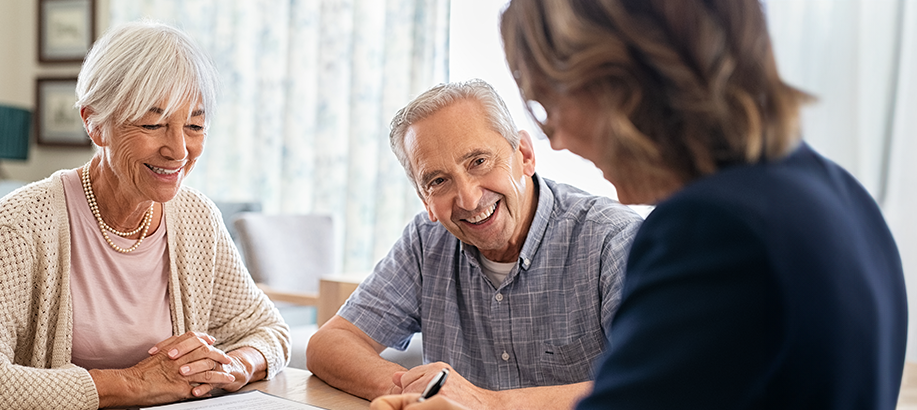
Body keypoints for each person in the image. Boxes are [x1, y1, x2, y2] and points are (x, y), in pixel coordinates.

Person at [371, 0, 908, 409]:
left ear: (621, 82)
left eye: (549, 104)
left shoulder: (711, 231)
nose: (556, 140)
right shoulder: (834, 192)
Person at [0, 21, 290, 409]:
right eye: (154, 124)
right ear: (95, 123)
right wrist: (134, 384)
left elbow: (268, 331)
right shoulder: (23, 222)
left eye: (195, 125)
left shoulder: (197, 217)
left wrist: (234, 366)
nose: (179, 150)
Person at [307, 79, 643, 409]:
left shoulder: (613, 240)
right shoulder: (427, 241)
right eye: (438, 181)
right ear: (426, 200)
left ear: (524, 155)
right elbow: (329, 344)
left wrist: (489, 404)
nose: (468, 199)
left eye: (478, 162)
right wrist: (418, 391)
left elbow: (658, 383)